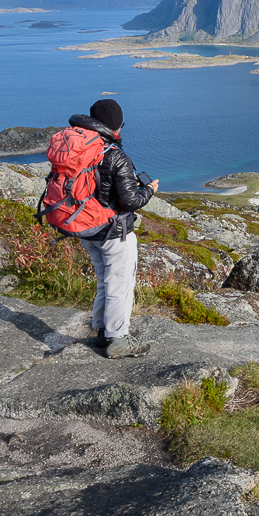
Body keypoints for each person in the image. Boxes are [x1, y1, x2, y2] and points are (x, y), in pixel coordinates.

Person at [72, 99, 158, 358]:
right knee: (119, 284)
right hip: (114, 231)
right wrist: (149, 190)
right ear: (117, 125)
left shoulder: (81, 147)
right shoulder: (113, 154)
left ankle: (102, 331)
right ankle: (118, 339)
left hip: (86, 227)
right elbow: (130, 201)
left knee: (104, 281)